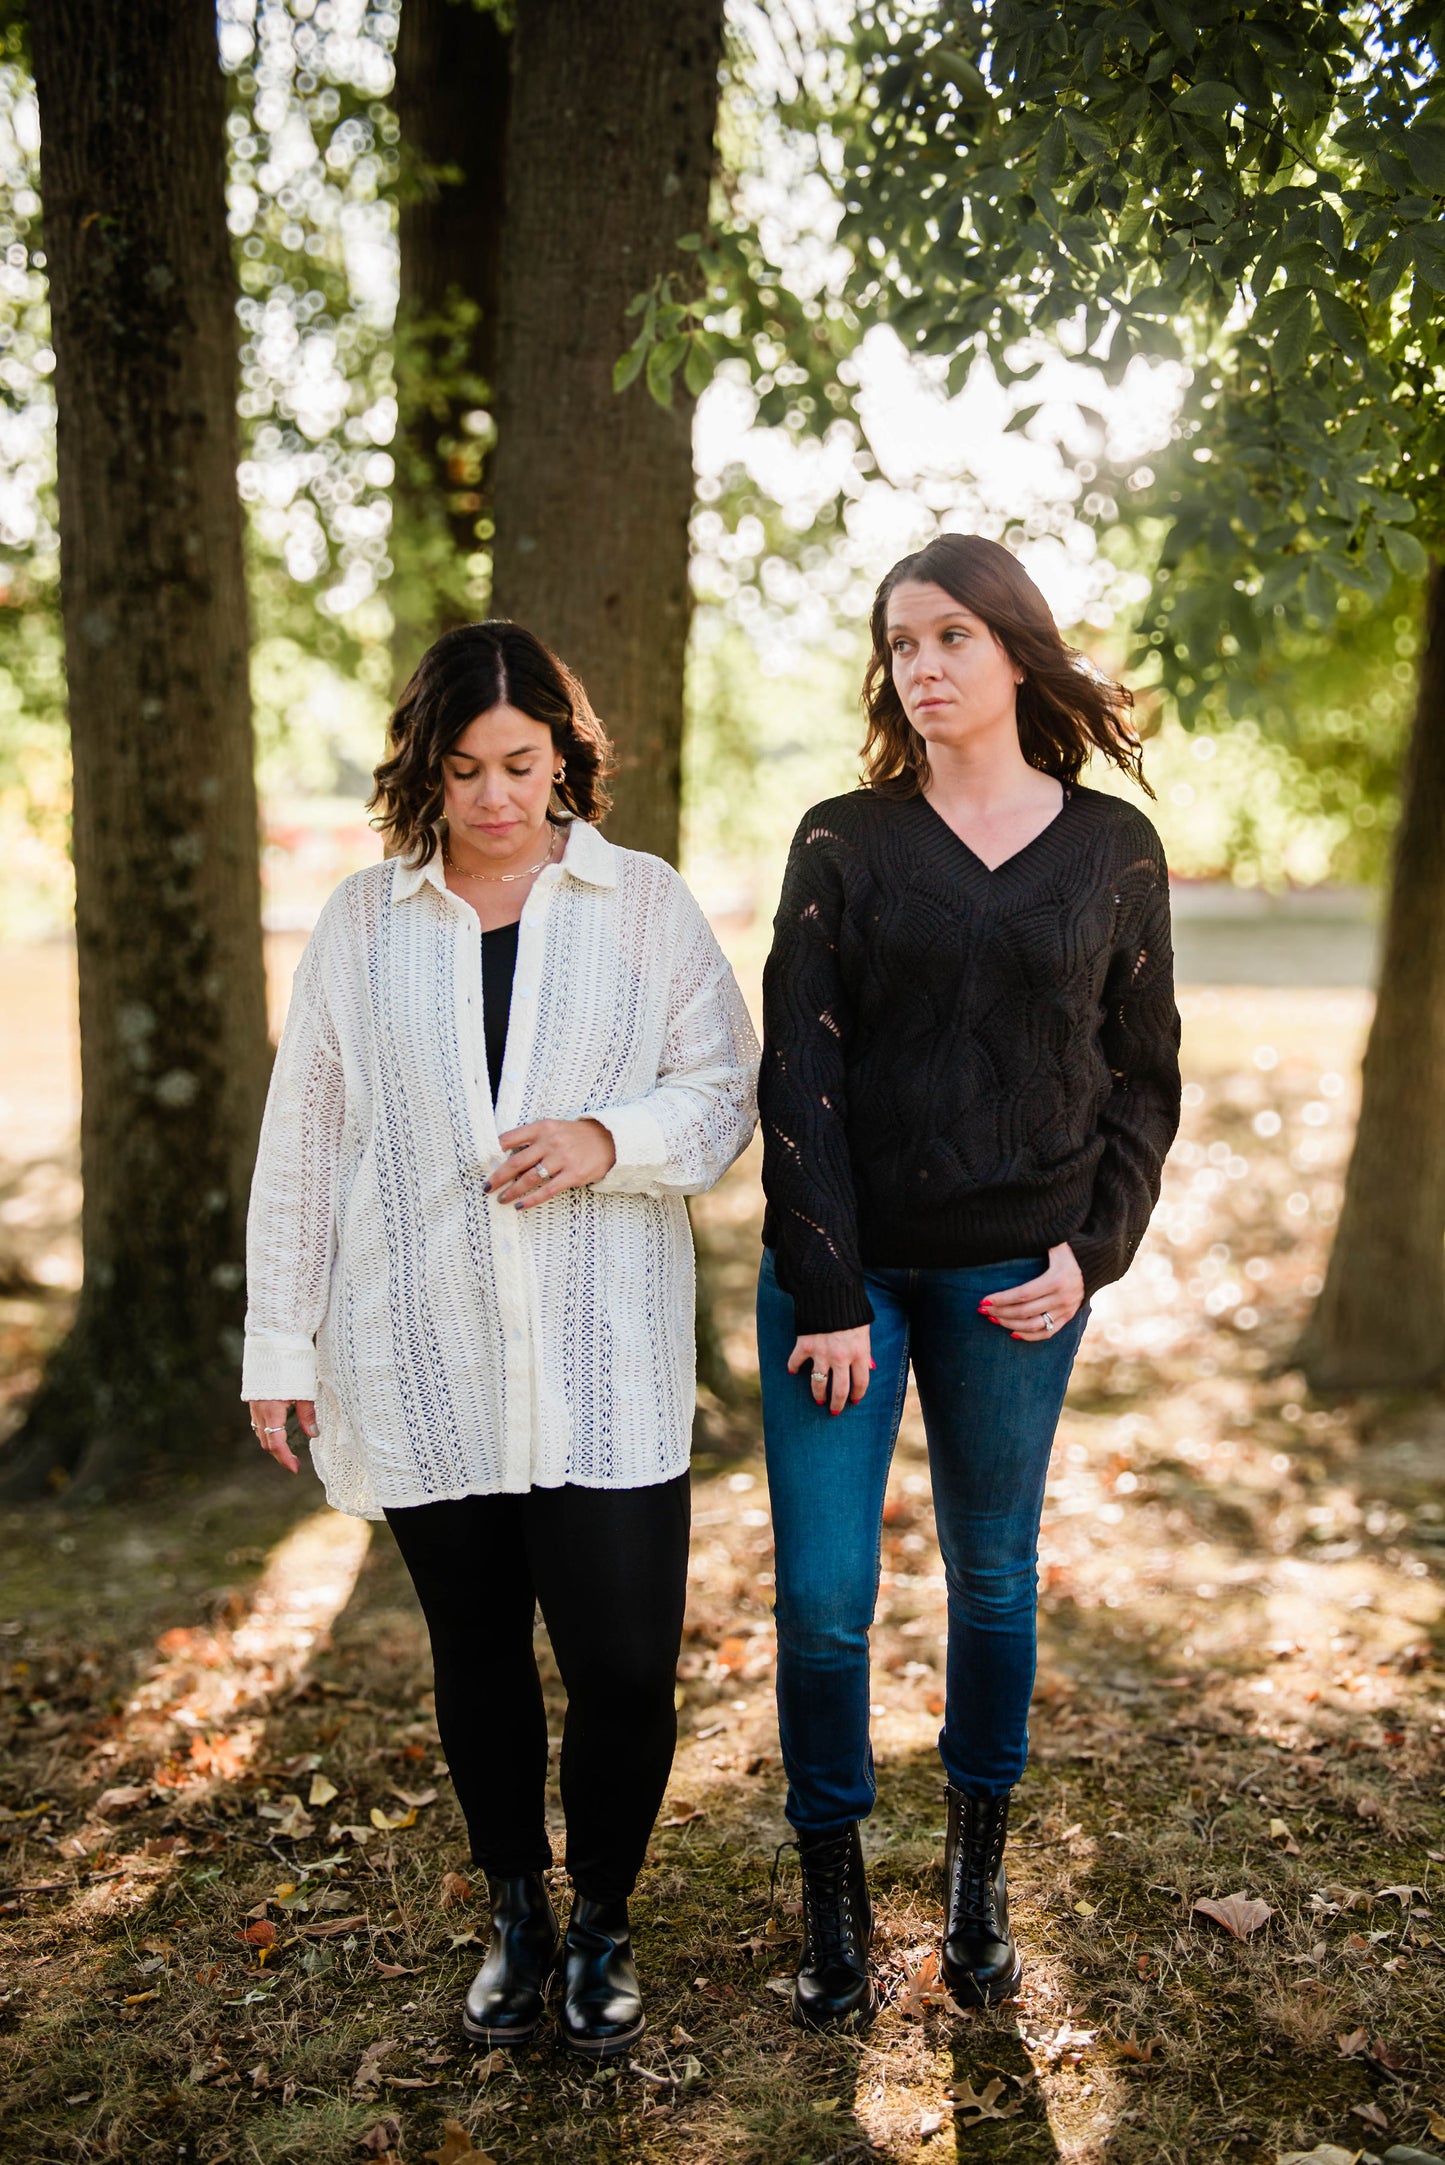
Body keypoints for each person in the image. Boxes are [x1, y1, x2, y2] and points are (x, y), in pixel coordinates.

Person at [243, 621, 758, 2059]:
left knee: (620, 1663)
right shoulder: (363, 921)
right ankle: (516, 1912)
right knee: (474, 1648)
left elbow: (720, 1091)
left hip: (608, 1353)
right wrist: (277, 1339)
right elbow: (305, 1138)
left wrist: (610, 1137)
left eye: (519, 764)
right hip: (422, 1350)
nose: (492, 797)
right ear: (426, 769)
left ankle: (603, 1917)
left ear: (562, 756)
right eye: (463, 768)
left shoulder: (639, 903)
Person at [757, 534, 1180, 2027]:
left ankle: (975, 1887)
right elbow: (795, 1066)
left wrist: (1092, 1254)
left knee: (994, 1576)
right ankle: (830, 1897)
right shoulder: (842, 840)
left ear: (1012, 648)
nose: (921, 667)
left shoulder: (1112, 849)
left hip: (1019, 1277)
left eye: (948, 637)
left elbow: (1142, 1078)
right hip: (845, 1277)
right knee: (821, 1596)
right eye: (898, 644)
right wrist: (820, 1289)